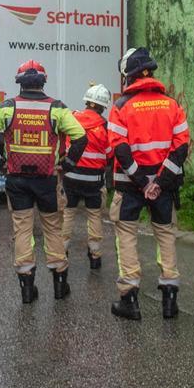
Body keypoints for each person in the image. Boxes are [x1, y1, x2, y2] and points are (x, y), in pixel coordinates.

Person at [0, 60, 87, 303]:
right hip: (47, 180)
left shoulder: (7, 108)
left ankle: (27, 289)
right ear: (43, 82)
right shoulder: (57, 108)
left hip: (16, 180)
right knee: (53, 230)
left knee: (22, 230)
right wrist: (67, 165)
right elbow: (80, 137)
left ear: (20, 82)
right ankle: (60, 285)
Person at [107, 48, 190, 321]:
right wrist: (159, 182)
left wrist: (142, 183)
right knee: (165, 235)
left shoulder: (120, 108)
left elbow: (120, 150)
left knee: (127, 236)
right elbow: (181, 148)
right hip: (164, 187)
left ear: (128, 77)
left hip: (131, 187)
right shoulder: (172, 105)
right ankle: (170, 300)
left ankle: (129, 300)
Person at [61, 83, 114, 269]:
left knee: (68, 213)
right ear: (102, 106)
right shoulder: (104, 126)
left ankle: (62, 251)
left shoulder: (73, 118)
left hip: (71, 177)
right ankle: (95, 255)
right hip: (94, 180)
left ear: (87, 102)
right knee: (94, 216)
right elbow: (109, 153)